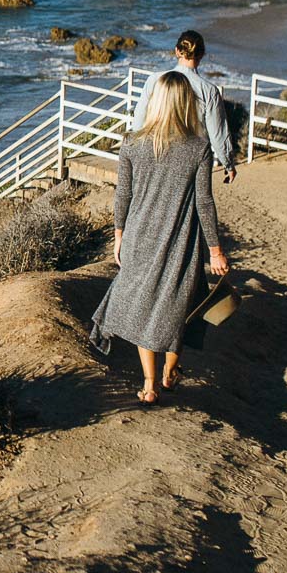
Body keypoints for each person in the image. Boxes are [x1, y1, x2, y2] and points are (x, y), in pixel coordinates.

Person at [91, 71, 230, 403]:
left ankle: (150, 383)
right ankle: (170, 371)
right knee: (178, 306)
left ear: (154, 101)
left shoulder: (131, 143)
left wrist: (119, 235)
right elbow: (205, 203)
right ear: (185, 103)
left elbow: (121, 195)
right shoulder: (199, 148)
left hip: (139, 235)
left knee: (144, 305)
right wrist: (215, 250)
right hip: (180, 240)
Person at [131, 28, 236, 183]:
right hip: (191, 160)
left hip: (157, 150)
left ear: (177, 51)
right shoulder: (209, 91)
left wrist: (136, 152)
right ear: (201, 54)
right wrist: (228, 164)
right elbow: (218, 134)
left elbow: (139, 120)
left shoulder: (154, 80)